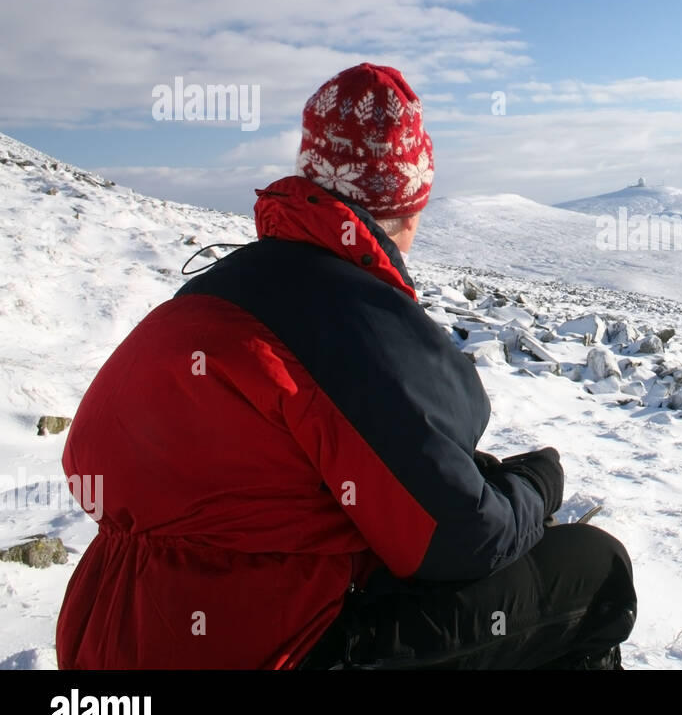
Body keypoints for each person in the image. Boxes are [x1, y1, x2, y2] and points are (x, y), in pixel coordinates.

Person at [56, 63, 637, 669]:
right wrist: (536, 486)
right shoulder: (346, 318)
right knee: (596, 572)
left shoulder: (213, 293)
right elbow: (459, 540)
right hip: (269, 643)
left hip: (110, 632)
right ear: (409, 207)